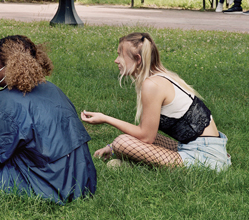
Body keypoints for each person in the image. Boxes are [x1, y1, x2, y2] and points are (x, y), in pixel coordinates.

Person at [80, 32, 230, 171]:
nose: (116, 60)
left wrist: (105, 118)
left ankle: (132, 162)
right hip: (202, 148)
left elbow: (146, 137)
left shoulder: (152, 85)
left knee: (122, 142)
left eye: (120, 55)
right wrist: (111, 147)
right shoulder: (160, 76)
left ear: (138, 59)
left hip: (206, 157)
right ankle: (131, 161)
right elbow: (146, 133)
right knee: (124, 141)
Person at [0, 35, 96, 203]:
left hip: (49, 186)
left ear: (6, 65)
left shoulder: (8, 100)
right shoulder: (52, 88)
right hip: (82, 181)